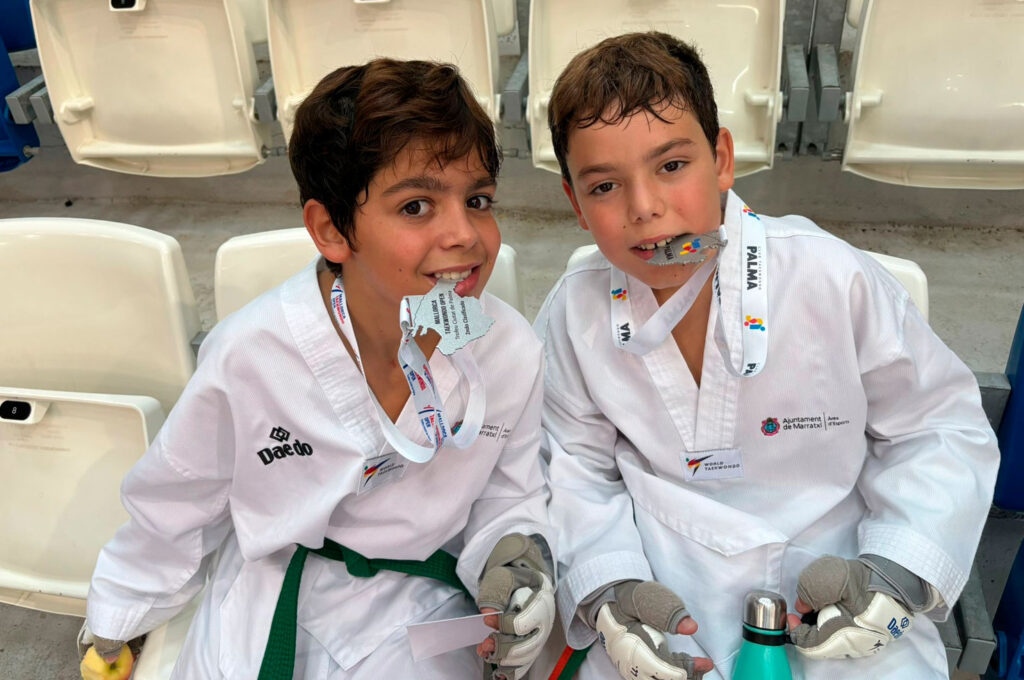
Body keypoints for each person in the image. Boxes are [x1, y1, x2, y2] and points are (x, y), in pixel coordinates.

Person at [534, 31, 999, 680]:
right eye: (605, 185)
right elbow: (572, 469)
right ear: (575, 205)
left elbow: (937, 426)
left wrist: (899, 568)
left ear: (722, 159)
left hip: (842, 591)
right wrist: (608, 588)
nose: (645, 208)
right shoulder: (573, 312)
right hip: (662, 603)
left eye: (672, 166)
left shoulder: (830, 278)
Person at [77, 58, 556, 680]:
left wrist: (513, 560)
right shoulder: (251, 355)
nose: (464, 233)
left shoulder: (509, 349)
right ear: (331, 229)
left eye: (478, 200)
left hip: (425, 602)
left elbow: (508, 491)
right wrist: (119, 616)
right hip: (276, 595)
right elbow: (181, 500)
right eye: (416, 206)